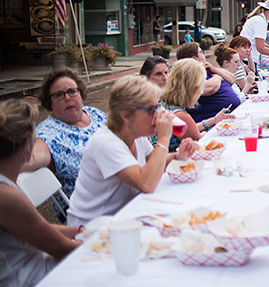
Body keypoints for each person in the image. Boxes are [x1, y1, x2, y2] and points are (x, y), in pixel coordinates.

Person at [0, 99, 82, 287]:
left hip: (12, 279)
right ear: (27, 146)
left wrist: (78, 229)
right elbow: (63, 251)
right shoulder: (3, 194)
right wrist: (102, 239)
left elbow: (30, 228)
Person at [67, 76, 197, 226]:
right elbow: (146, 183)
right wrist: (163, 138)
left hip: (126, 213)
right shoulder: (105, 143)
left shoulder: (135, 134)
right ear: (126, 115)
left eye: (157, 107)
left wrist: (177, 156)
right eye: (150, 109)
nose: (158, 114)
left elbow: (152, 163)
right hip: (92, 227)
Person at [23, 69, 106, 221]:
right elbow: (29, 159)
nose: (67, 98)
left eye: (72, 91)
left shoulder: (94, 114)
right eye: (59, 95)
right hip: (89, 212)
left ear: (80, 93)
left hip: (120, 190)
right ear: (50, 102)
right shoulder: (48, 135)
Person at [157, 59, 234, 151]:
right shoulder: (180, 114)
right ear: (194, 87)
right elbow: (201, 143)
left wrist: (214, 120)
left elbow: (186, 130)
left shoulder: (163, 102)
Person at [176, 42, 241, 122]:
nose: (204, 54)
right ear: (194, 58)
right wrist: (217, 77)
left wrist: (214, 70)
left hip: (229, 115)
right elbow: (209, 88)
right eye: (201, 52)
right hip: (211, 121)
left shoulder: (207, 68)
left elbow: (232, 79)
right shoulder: (189, 74)